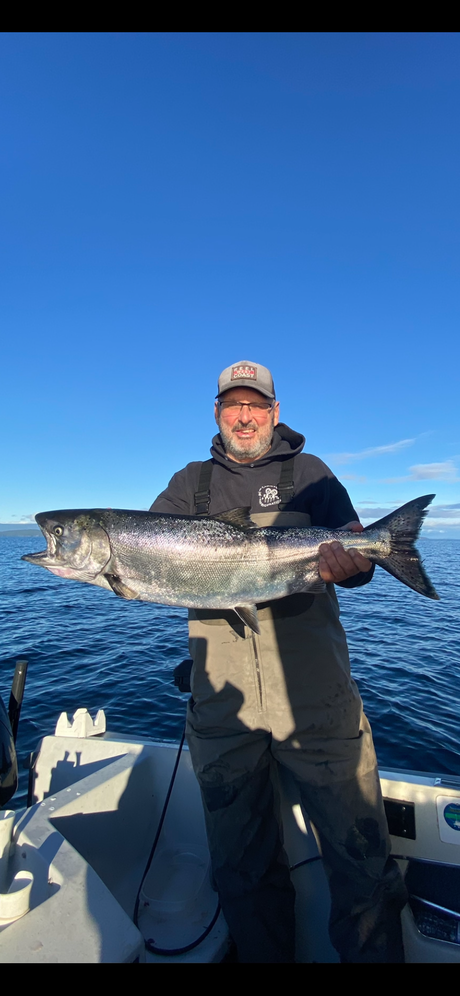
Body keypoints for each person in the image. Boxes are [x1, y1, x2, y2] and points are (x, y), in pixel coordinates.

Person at [151, 360, 407, 963]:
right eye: (232, 405)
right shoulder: (189, 484)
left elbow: (357, 553)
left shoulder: (311, 474)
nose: (244, 416)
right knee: (240, 867)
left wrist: (363, 558)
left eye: (256, 405)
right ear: (217, 412)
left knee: (361, 861)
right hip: (224, 709)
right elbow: (153, 561)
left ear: (274, 411)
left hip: (317, 702)